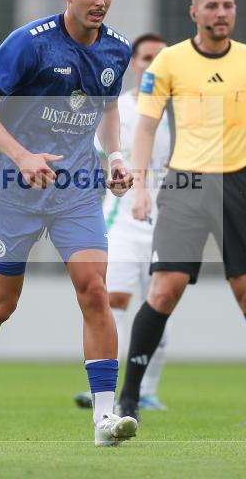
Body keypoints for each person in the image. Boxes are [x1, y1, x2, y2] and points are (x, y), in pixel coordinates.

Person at [0, 0, 139, 447]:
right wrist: (24, 156)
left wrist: (114, 155)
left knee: (94, 290)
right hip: (16, 191)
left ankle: (104, 420)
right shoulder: (28, 44)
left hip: (76, 193)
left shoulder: (118, 50)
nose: (101, 2)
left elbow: (108, 108)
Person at [117, 0, 246, 425]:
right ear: (194, 13)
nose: (221, 13)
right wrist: (140, 186)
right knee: (164, 289)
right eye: (212, 6)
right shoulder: (171, 60)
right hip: (184, 185)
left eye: (228, 5)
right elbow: (145, 126)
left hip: (236, 184)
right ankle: (128, 400)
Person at [74, 33, 173, 412]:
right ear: (134, 63)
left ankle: (146, 389)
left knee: (159, 303)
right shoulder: (122, 108)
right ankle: (103, 387)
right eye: (146, 57)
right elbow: (96, 155)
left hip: (167, 220)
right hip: (122, 217)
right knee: (110, 296)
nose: (152, 64)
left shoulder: (180, 111)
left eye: (160, 58)